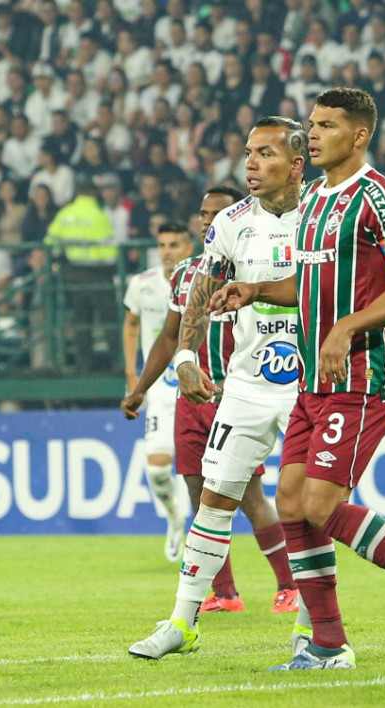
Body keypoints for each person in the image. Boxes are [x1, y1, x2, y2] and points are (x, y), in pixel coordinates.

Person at [210, 88, 385, 671]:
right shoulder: (313, 200)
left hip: (364, 372)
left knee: (321, 502)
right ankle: (328, 645)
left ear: (358, 135)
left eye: (327, 125)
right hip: (315, 377)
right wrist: (256, 289)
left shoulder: (382, 199)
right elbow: (308, 285)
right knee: (290, 502)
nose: (313, 134)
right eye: (311, 124)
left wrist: (345, 330)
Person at [128, 116, 307, 660]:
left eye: (265, 153)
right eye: (248, 153)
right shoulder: (230, 221)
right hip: (248, 381)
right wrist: (184, 356)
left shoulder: (324, 213)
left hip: (311, 378)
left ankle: (311, 623)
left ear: (297, 164)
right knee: (213, 498)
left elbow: (346, 283)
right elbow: (201, 287)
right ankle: (183, 622)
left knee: (305, 505)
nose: (250, 163)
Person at [121, 222, 192, 563]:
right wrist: (132, 374)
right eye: (162, 244)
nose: (167, 251)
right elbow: (131, 324)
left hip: (198, 381)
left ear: (188, 246)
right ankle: (175, 517)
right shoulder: (142, 284)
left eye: (174, 244)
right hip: (160, 385)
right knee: (158, 468)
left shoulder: (202, 279)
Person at [44, 172, 119, 373]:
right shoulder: (99, 214)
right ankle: (117, 363)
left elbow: (50, 243)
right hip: (100, 274)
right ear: (93, 192)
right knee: (109, 320)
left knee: (81, 321)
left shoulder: (65, 214)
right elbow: (111, 252)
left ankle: (84, 364)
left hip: (74, 273)